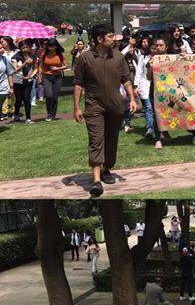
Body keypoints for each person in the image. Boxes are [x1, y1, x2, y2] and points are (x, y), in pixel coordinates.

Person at [73, 25, 137, 197]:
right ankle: (96, 181)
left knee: (111, 138)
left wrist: (131, 99)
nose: (114, 39)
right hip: (94, 105)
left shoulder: (118, 57)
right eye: (110, 36)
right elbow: (78, 83)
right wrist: (77, 107)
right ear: (100, 39)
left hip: (116, 105)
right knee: (96, 139)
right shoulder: (84, 58)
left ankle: (106, 169)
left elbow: (127, 80)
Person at [38, 39, 67, 122]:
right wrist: (40, 77)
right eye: (49, 46)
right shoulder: (44, 55)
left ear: (56, 46)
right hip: (46, 77)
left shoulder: (60, 55)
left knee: (55, 97)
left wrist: (57, 68)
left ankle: (53, 114)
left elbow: (66, 66)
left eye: (53, 46)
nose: (51, 48)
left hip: (57, 77)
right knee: (49, 95)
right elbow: (41, 66)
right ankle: (49, 113)